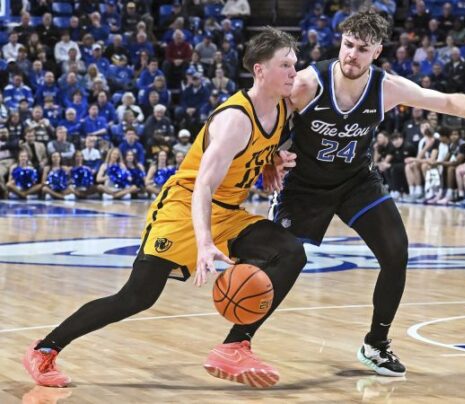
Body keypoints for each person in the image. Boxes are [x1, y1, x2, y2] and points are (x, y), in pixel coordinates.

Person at [23, 28, 304, 390]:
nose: (293, 72)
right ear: (259, 70)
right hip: (185, 207)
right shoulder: (235, 119)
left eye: (294, 64)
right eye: (285, 65)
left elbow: (255, 151)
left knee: (290, 253)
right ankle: (44, 348)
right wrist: (204, 242)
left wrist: (269, 161)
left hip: (230, 211)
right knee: (137, 297)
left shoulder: (283, 106)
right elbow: (203, 185)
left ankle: (236, 344)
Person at [261, 11, 465, 377]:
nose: (352, 55)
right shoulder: (306, 84)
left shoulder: (386, 87)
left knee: (396, 252)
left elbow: (442, 101)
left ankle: (376, 344)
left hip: (356, 182)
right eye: (348, 45)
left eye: (362, 49)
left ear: (377, 51)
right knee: (280, 264)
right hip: (305, 186)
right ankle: (239, 340)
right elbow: (264, 116)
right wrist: (270, 156)